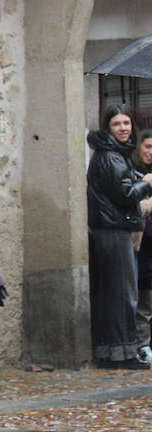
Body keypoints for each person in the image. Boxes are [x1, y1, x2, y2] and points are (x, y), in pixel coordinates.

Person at [86, 103, 152, 369]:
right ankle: (122, 353)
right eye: (117, 124)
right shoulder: (111, 156)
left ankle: (117, 351)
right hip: (113, 230)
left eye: (126, 123)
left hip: (112, 229)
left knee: (116, 293)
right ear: (107, 127)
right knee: (121, 294)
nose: (123, 129)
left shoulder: (114, 154)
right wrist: (146, 182)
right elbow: (125, 195)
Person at [134, 129, 152, 367]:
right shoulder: (135, 175)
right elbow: (135, 207)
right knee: (145, 297)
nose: (151, 152)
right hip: (143, 244)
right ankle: (142, 345)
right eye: (147, 146)